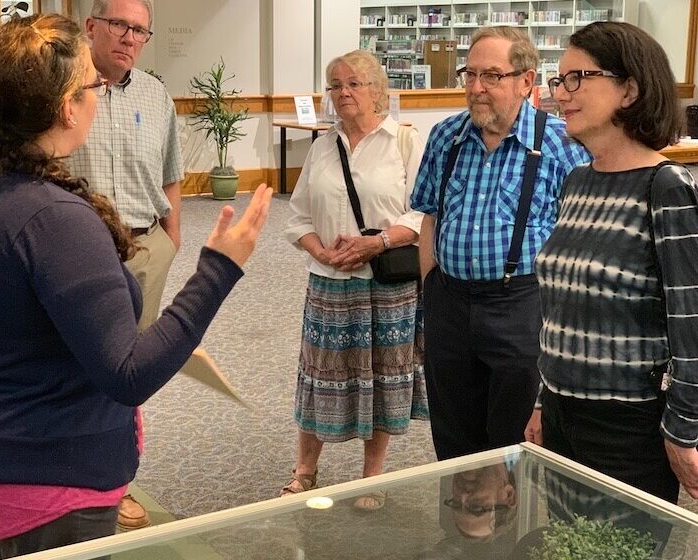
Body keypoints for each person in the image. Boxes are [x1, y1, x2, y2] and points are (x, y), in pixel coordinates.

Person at [0, 14, 272, 559]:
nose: (101, 91)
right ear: (68, 107)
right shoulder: (54, 219)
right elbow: (127, 374)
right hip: (43, 473)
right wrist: (220, 267)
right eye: (94, 84)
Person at [525, 21, 698, 505]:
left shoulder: (667, 187)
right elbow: (560, 311)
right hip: (563, 410)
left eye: (578, 78)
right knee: (566, 546)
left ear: (630, 90)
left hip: (627, 423)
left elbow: (690, 322)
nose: (561, 94)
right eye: (559, 81)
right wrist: (544, 399)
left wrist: (684, 430)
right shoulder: (578, 180)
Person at [410, 26, 590, 461]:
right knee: (452, 434)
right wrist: (430, 291)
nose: (476, 88)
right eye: (469, 75)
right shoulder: (446, 137)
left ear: (526, 81)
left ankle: (506, 527)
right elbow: (429, 218)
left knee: (513, 439)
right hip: (449, 300)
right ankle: (458, 525)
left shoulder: (562, 144)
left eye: (492, 76)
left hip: (523, 305)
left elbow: (578, 242)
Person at [282, 49, 427, 511]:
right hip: (329, 283)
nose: (343, 92)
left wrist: (378, 242)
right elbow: (297, 215)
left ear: (376, 90)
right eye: (335, 85)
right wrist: (321, 250)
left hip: (388, 284)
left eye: (354, 83)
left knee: (383, 376)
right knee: (318, 374)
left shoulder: (404, 141)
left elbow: (422, 212)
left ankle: (372, 475)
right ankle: (305, 470)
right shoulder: (323, 145)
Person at [66, 0, 183, 528]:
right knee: (71, 367)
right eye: (121, 26)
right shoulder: (63, 91)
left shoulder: (157, 96)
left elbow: (171, 176)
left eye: (140, 31)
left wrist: (171, 240)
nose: (130, 38)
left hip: (144, 251)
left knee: (128, 375)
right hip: (75, 256)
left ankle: (116, 484)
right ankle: (68, 483)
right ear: (92, 27)